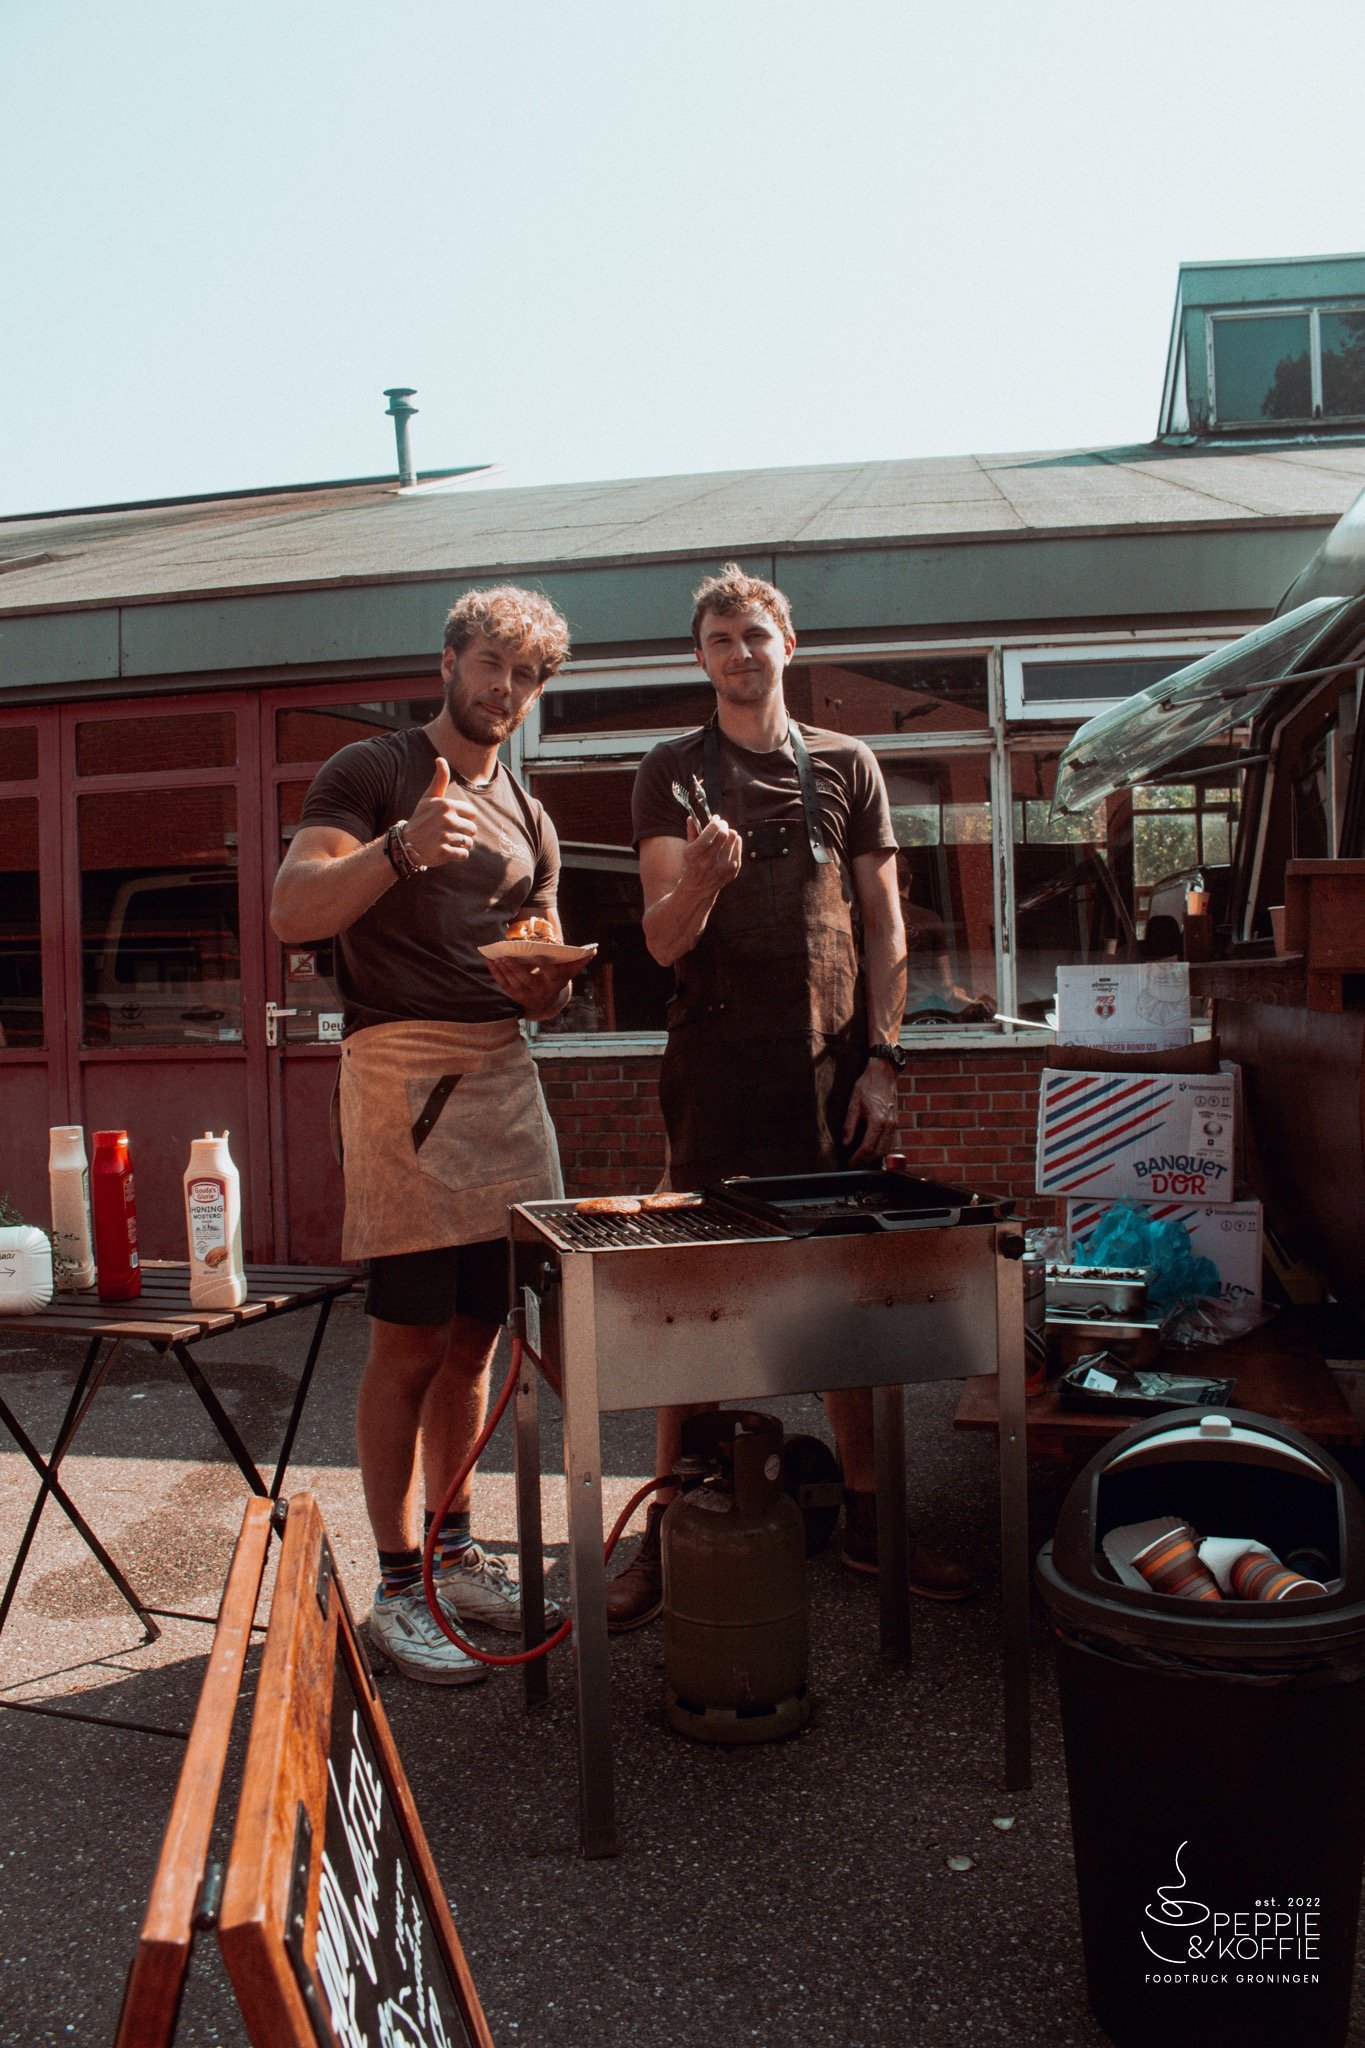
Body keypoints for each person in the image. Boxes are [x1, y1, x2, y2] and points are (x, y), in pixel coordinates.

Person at [609, 564, 975, 1627]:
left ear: (789, 644)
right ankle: (666, 1535)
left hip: (830, 1079)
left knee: (842, 1302)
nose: (740, 652)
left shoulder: (849, 766)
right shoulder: (669, 771)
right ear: (700, 656)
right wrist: (706, 879)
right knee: (698, 1303)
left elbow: (886, 928)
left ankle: (869, 1520)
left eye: (756, 633)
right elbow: (662, 938)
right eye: (720, 636)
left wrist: (885, 1059)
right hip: (717, 1082)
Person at [270, 586, 579, 1685]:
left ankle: (452, 1554)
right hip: (399, 1072)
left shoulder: (533, 815)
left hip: (503, 1074)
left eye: (528, 677)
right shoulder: (374, 772)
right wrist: (400, 847)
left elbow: (531, 955)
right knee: (405, 1342)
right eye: (492, 664)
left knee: (476, 1342)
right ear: (448, 660)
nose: (507, 690)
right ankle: (396, 1588)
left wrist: (546, 983)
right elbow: (292, 909)